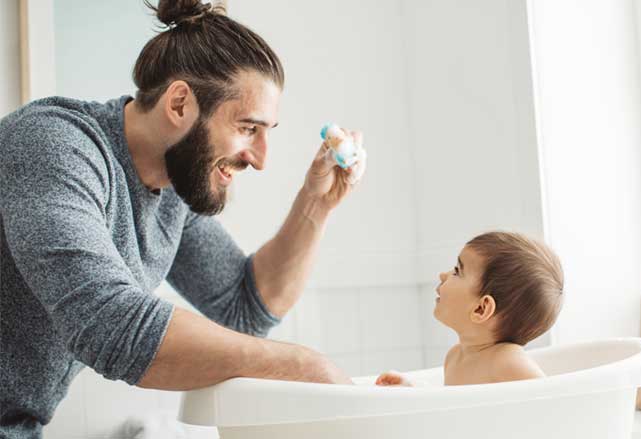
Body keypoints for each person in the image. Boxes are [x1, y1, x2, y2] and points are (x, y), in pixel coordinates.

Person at [0, 1, 364, 437]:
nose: (261, 159)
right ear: (179, 104)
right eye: (248, 128)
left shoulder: (171, 190)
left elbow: (244, 304)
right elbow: (109, 324)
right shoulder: (54, 146)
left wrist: (315, 204)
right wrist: (305, 366)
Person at [375, 232, 563, 386]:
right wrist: (413, 388)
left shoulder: (507, 362)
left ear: (481, 309)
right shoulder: (455, 356)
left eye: (457, 271)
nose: (443, 274)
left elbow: (549, 405)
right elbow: (453, 406)